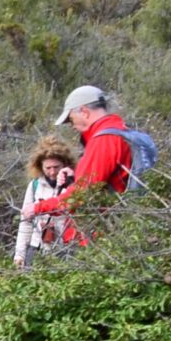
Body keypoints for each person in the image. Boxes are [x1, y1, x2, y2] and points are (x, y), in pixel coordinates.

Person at [28, 85, 143, 243]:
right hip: (119, 229)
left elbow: (80, 195)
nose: (72, 125)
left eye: (70, 119)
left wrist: (37, 208)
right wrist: (76, 175)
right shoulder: (120, 130)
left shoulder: (104, 139)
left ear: (84, 111)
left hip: (104, 238)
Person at [13, 135, 75, 267]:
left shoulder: (75, 184)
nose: (52, 172)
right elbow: (25, 222)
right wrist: (19, 255)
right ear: (40, 167)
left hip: (67, 249)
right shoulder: (35, 186)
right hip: (38, 249)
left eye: (56, 167)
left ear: (65, 164)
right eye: (48, 168)